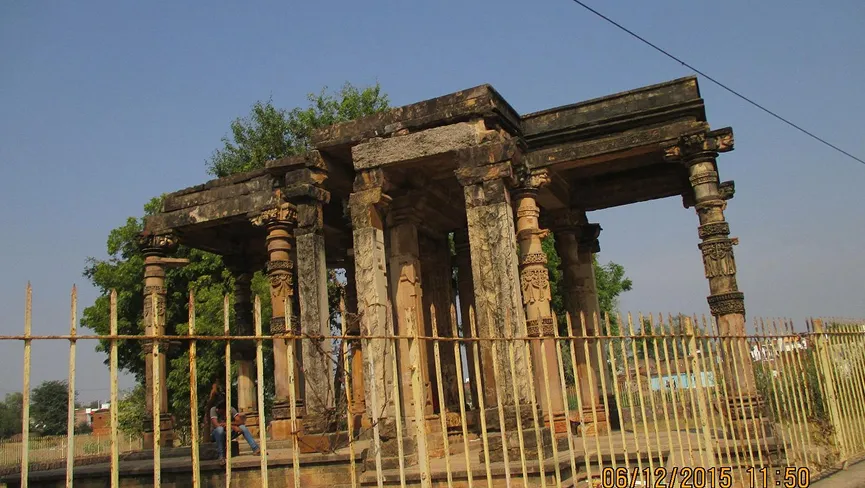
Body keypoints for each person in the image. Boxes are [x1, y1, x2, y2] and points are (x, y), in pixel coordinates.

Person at [210, 397, 260, 464]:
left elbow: (240, 421)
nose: (218, 411)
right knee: (220, 429)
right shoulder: (213, 410)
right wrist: (232, 426)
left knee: (243, 427)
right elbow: (216, 425)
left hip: (228, 432)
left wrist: (229, 424)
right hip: (216, 435)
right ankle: (221, 456)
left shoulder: (231, 409)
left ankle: (255, 448)